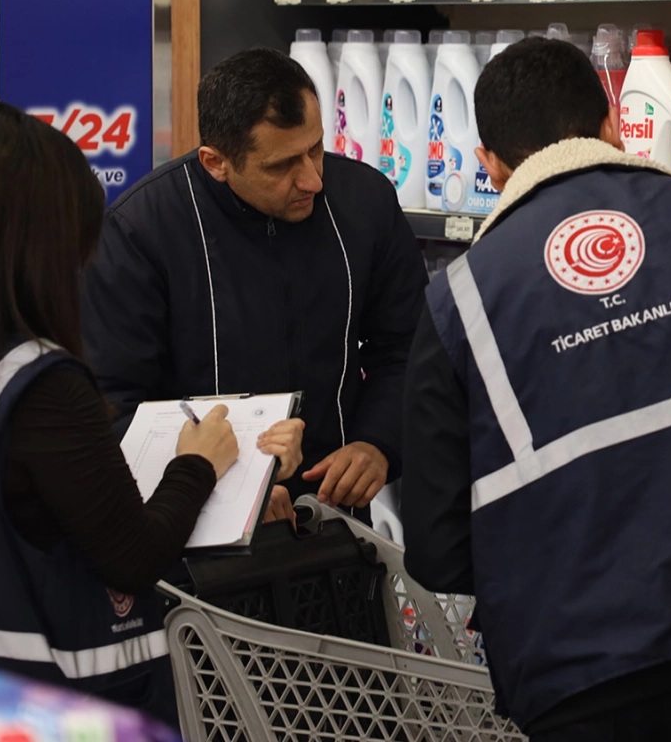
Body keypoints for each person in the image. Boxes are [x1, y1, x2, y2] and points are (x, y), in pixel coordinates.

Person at [401, 37, 671, 741]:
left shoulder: (457, 301)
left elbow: (439, 550)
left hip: (576, 678)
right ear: (612, 122)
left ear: (490, 166)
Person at [0, 104, 301, 719]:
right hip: (49, 708)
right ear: (32, 244)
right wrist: (199, 464)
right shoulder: (41, 386)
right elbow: (133, 555)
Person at [82, 48, 427, 516]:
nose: (312, 180)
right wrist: (233, 487)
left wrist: (379, 444)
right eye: (282, 165)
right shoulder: (142, 232)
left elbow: (408, 346)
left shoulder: (364, 203)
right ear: (215, 162)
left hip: (336, 522)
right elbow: (113, 407)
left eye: (316, 149)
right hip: (193, 529)